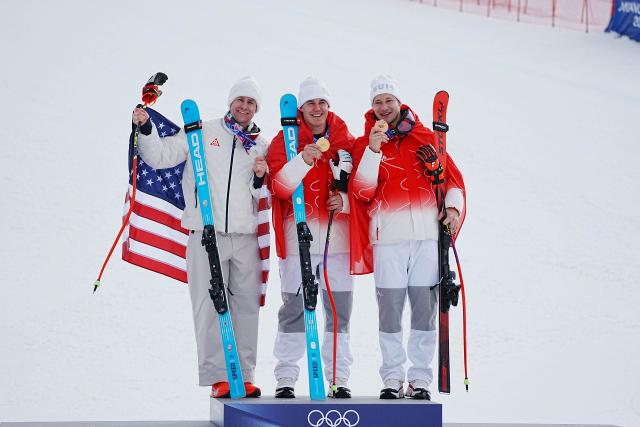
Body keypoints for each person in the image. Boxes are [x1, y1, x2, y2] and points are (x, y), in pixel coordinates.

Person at [131, 76, 269, 398]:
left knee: (246, 305)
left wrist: (261, 177)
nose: (244, 107)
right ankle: (219, 376)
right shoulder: (202, 132)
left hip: (245, 235)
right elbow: (161, 156)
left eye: (251, 102)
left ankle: (244, 374)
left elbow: (258, 195)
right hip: (206, 233)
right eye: (240, 100)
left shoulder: (260, 145)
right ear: (230, 103)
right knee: (208, 305)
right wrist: (146, 127)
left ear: (256, 108)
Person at [349, 75, 466, 400]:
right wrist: (373, 150)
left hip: (427, 239)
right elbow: (361, 192)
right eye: (377, 102)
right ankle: (391, 378)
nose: (384, 107)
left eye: (389, 100)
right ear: (371, 108)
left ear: (399, 103)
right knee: (390, 312)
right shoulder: (364, 144)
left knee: (423, 310)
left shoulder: (426, 138)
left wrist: (453, 211)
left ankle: (420, 379)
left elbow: (454, 182)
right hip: (388, 241)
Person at [267, 77, 355, 399]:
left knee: (338, 311)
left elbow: (361, 191)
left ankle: (338, 378)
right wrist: (301, 161)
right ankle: (286, 377)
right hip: (297, 242)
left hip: (338, 242)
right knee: (293, 310)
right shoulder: (284, 142)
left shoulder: (346, 140)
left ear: (328, 107)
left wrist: (343, 201)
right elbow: (278, 187)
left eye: (322, 103)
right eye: (310, 104)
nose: (317, 109)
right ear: (301, 109)